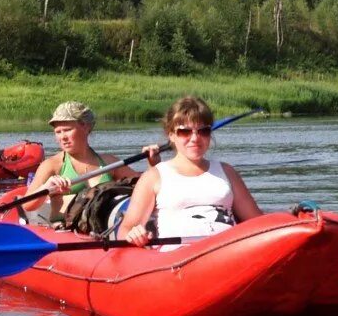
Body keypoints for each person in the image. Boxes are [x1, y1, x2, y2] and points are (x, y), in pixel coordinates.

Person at [109, 96, 262, 247]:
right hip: (178, 259)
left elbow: (258, 223)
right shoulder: (154, 177)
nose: (195, 138)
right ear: (171, 135)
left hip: (228, 252)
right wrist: (135, 235)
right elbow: (126, 230)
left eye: (203, 131)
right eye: (184, 132)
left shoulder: (227, 171)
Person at [26, 101, 126, 222]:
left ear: (86, 127)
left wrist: (152, 163)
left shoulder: (110, 162)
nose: (62, 137)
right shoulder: (51, 165)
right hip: (64, 230)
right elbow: (27, 205)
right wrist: (47, 187)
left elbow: (143, 186)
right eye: (58, 132)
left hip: (101, 230)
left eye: (67, 130)